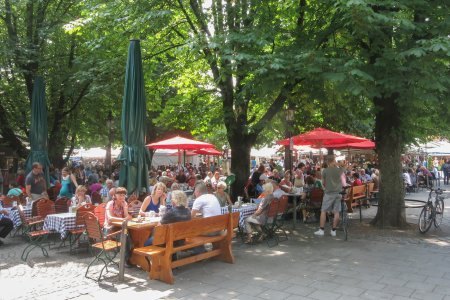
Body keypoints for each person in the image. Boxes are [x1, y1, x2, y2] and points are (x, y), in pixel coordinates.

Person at [314, 155, 345, 237]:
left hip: (328, 193)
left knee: (323, 211)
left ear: (327, 162)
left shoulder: (325, 171)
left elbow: (323, 182)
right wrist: (339, 165)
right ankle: (333, 230)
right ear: (334, 161)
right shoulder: (340, 170)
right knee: (336, 212)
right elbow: (344, 167)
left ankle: (321, 230)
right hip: (338, 193)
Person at [104, 187, 133, 267]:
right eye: (120, 195)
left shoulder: (124, 204)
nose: (122, 197)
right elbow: (110, 218)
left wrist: (125, 208)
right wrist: (123, 219)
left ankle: (131, 258)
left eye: (123, 195)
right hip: (110, 230)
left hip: (120, 228)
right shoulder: (110, 204)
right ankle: (125, 260)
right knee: (125, 236)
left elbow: (127, 216)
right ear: (115, 195)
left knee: (133, 234)